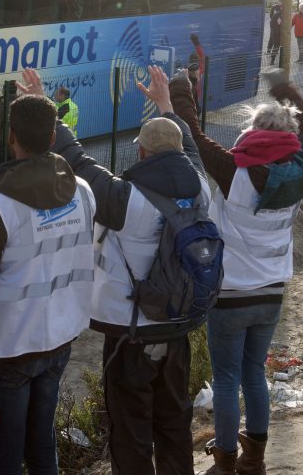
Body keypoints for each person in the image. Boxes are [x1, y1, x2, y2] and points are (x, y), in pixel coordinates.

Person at [51, 65, 211, 475]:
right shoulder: (200, 187)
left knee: (130, 425)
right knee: (175, 419)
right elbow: (190, 148)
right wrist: (167, 106)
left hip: (130, 330)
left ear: (140, 152)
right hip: (177, 324)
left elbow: (77, 160)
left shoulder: (125, 199)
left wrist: (49, 113)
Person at [169, 67, 303, 475]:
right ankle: (255, 460)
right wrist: (286, 89)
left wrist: (182, 87)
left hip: (230, 293)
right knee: (255, 374)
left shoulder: (234, 170)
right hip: (272, 292)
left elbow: (191, 131)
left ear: (252, 132)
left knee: (226, 380)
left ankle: (225, 463)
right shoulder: (302, 170)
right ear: (289, 138)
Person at [0, 87, 96, 475]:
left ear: (11, 138)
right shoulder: (84, 192)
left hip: (10, 345)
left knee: (5, 457)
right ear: (53, 137)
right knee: (42, 445)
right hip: (59, 338)